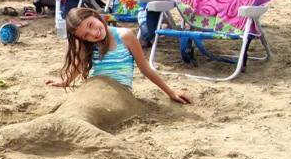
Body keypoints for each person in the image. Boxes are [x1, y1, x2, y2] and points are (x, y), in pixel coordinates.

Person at [45, 8, 193, 104]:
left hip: (119, 90)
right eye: (86, 35)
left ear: (95, 16)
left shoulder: (126, 36)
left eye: (91, 25)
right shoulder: (86, 44)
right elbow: (79, 65)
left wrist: (171, 92)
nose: (94, 33)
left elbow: (145, 69)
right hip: (95, 85)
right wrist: (65, 81)